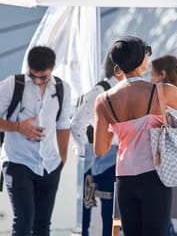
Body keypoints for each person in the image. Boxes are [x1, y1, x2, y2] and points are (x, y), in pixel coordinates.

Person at [94, 36, 177, 236]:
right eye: (147, 52)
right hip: (155, 175)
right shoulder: (161, 91)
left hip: (125, 178)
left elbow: (100, 150)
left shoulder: (103, 100)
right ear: (139, 58)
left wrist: (116, 129)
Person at [0, 45, 72, 236]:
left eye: (44, 77)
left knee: (42, 225)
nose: (38, 81)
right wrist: (17, 127)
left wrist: (62, 159)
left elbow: (63, 125)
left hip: (49, 164)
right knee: (24, 221)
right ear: (28, 68)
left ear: (52, 69)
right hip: (18, 161)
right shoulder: (12, 85)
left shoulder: (62, 88)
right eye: (33, 76)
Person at [70, 53, 124, 236]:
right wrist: (90, 154)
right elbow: (77, 125)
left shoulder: (124, 91)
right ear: (119, 69)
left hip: (119, 163)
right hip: (99, 164)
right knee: (97, 219)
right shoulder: (100, 92)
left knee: (114, 218)